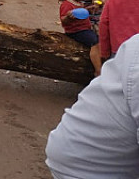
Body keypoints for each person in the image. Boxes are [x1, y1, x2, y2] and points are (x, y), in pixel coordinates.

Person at [46, 33, 139, 178]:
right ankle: (98, 69)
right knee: (95, 44)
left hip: (119, 48)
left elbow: (105, 24)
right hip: (88, 168)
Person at [58, 0, 102, 75]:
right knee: (96, 43)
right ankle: (98, 70)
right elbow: (63, 19)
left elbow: (81, 12)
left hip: (84, 29)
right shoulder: (67, 4)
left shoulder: (78, 2)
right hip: (77, 32)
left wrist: (87, 9)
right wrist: (69, 17)